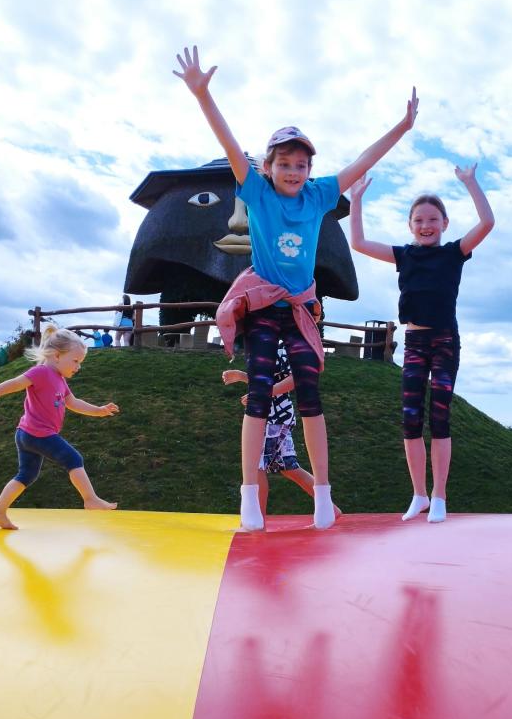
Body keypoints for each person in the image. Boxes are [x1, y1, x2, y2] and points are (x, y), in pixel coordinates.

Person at [174, 44, 418, 532]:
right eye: (284, 163)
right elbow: (230, 144)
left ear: (309, 170)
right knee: (259, 392)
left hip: (303, 307)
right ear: (269, 167)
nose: (293, 171)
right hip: (265, 307)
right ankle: (249, 494)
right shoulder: (257, 191)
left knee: (310, 392)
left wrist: (403, 127)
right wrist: (202, 95)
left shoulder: (319, 194)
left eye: (301, 164)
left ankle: (323, 494)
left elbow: (363, 159)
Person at [348, 165, 494, 523]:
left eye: (432, 219)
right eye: (419, 220)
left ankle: (439, 495)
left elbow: (487, 223)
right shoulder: (404, 255)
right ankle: (419, 494)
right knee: (410, 417)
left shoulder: (454, 252)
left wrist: (471, 183)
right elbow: (359, 243)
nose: (426, 225)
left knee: (440, 416)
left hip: (444, 341)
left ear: (444, 223)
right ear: (410, 226)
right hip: (414, 341)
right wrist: (356, 200)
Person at [0, 326, 119, 530]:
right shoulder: (41, 372)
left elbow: (73, 402)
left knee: (27, 474)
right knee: (74, 459)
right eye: (75, 361)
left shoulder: (60, 380)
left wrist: (98, 410)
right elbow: (15, 383)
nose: (78, 367)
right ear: (57, 356)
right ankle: (90, 499)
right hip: (38, 433)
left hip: (27, 435)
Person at [222, 346, 341, 525]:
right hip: (275, 415)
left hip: (274, 417)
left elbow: (296, 378)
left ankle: (258, 520)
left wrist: (263, 393)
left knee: (256, 466)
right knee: (289, 467)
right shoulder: (270, 343)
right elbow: (268, 380)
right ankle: (330, 508)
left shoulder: (283, 344)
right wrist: (242, 376)